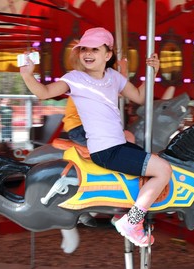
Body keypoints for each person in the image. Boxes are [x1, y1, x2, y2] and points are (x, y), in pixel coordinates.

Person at [20, 27, 171, 247]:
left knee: (146, 168)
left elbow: (139, 96)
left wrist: (152, 74)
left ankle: (122, 213)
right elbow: (44, 93)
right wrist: (27, 75)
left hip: (119, 144)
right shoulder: (75, 79)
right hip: (106, 150)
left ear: (107, 55)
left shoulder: (114, 77)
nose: (87, 54)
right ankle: (132, 222)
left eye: (94, 49)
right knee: (163, 170)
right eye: (84, 49)